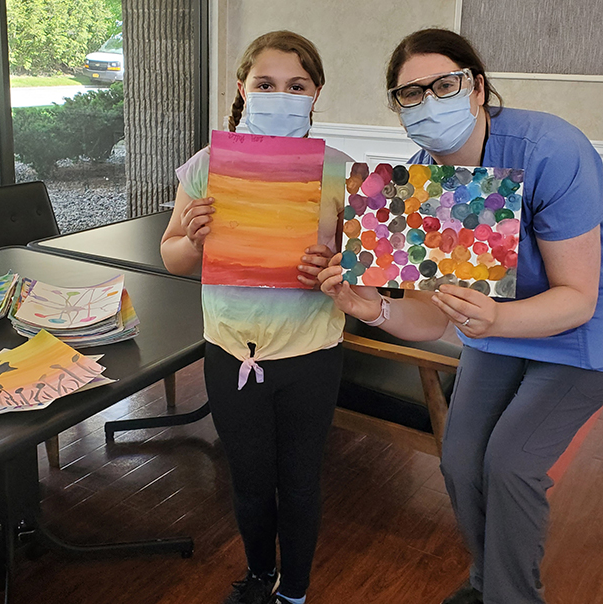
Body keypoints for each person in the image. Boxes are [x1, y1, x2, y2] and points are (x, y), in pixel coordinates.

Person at [317, 28, 603, 604]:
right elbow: (430, 319)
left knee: (511, 464)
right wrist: (375, 309)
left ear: (475, 88)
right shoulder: (422, 180)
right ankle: (484, 585)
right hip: (490, 326)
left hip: (581, 329)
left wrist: (496, 321)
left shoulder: (551, 149)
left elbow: (579, 297)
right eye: (409, 94)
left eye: (443, 84)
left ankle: (512, 598)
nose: (428, 103)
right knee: (461, 460)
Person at [161, 30, 351, 604]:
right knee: (247, 482)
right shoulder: (205, 167)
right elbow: (171, 254)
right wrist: (193, 240)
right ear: (242, 88)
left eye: (297, 85)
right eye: (266, 84)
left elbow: (361, 271)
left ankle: (294, 589)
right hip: (231, 350)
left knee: (299, 482)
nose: (281, 95)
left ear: (315, 93)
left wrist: (337, 265)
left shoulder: (340, 170)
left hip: (311, 352)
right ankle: (258, 574)